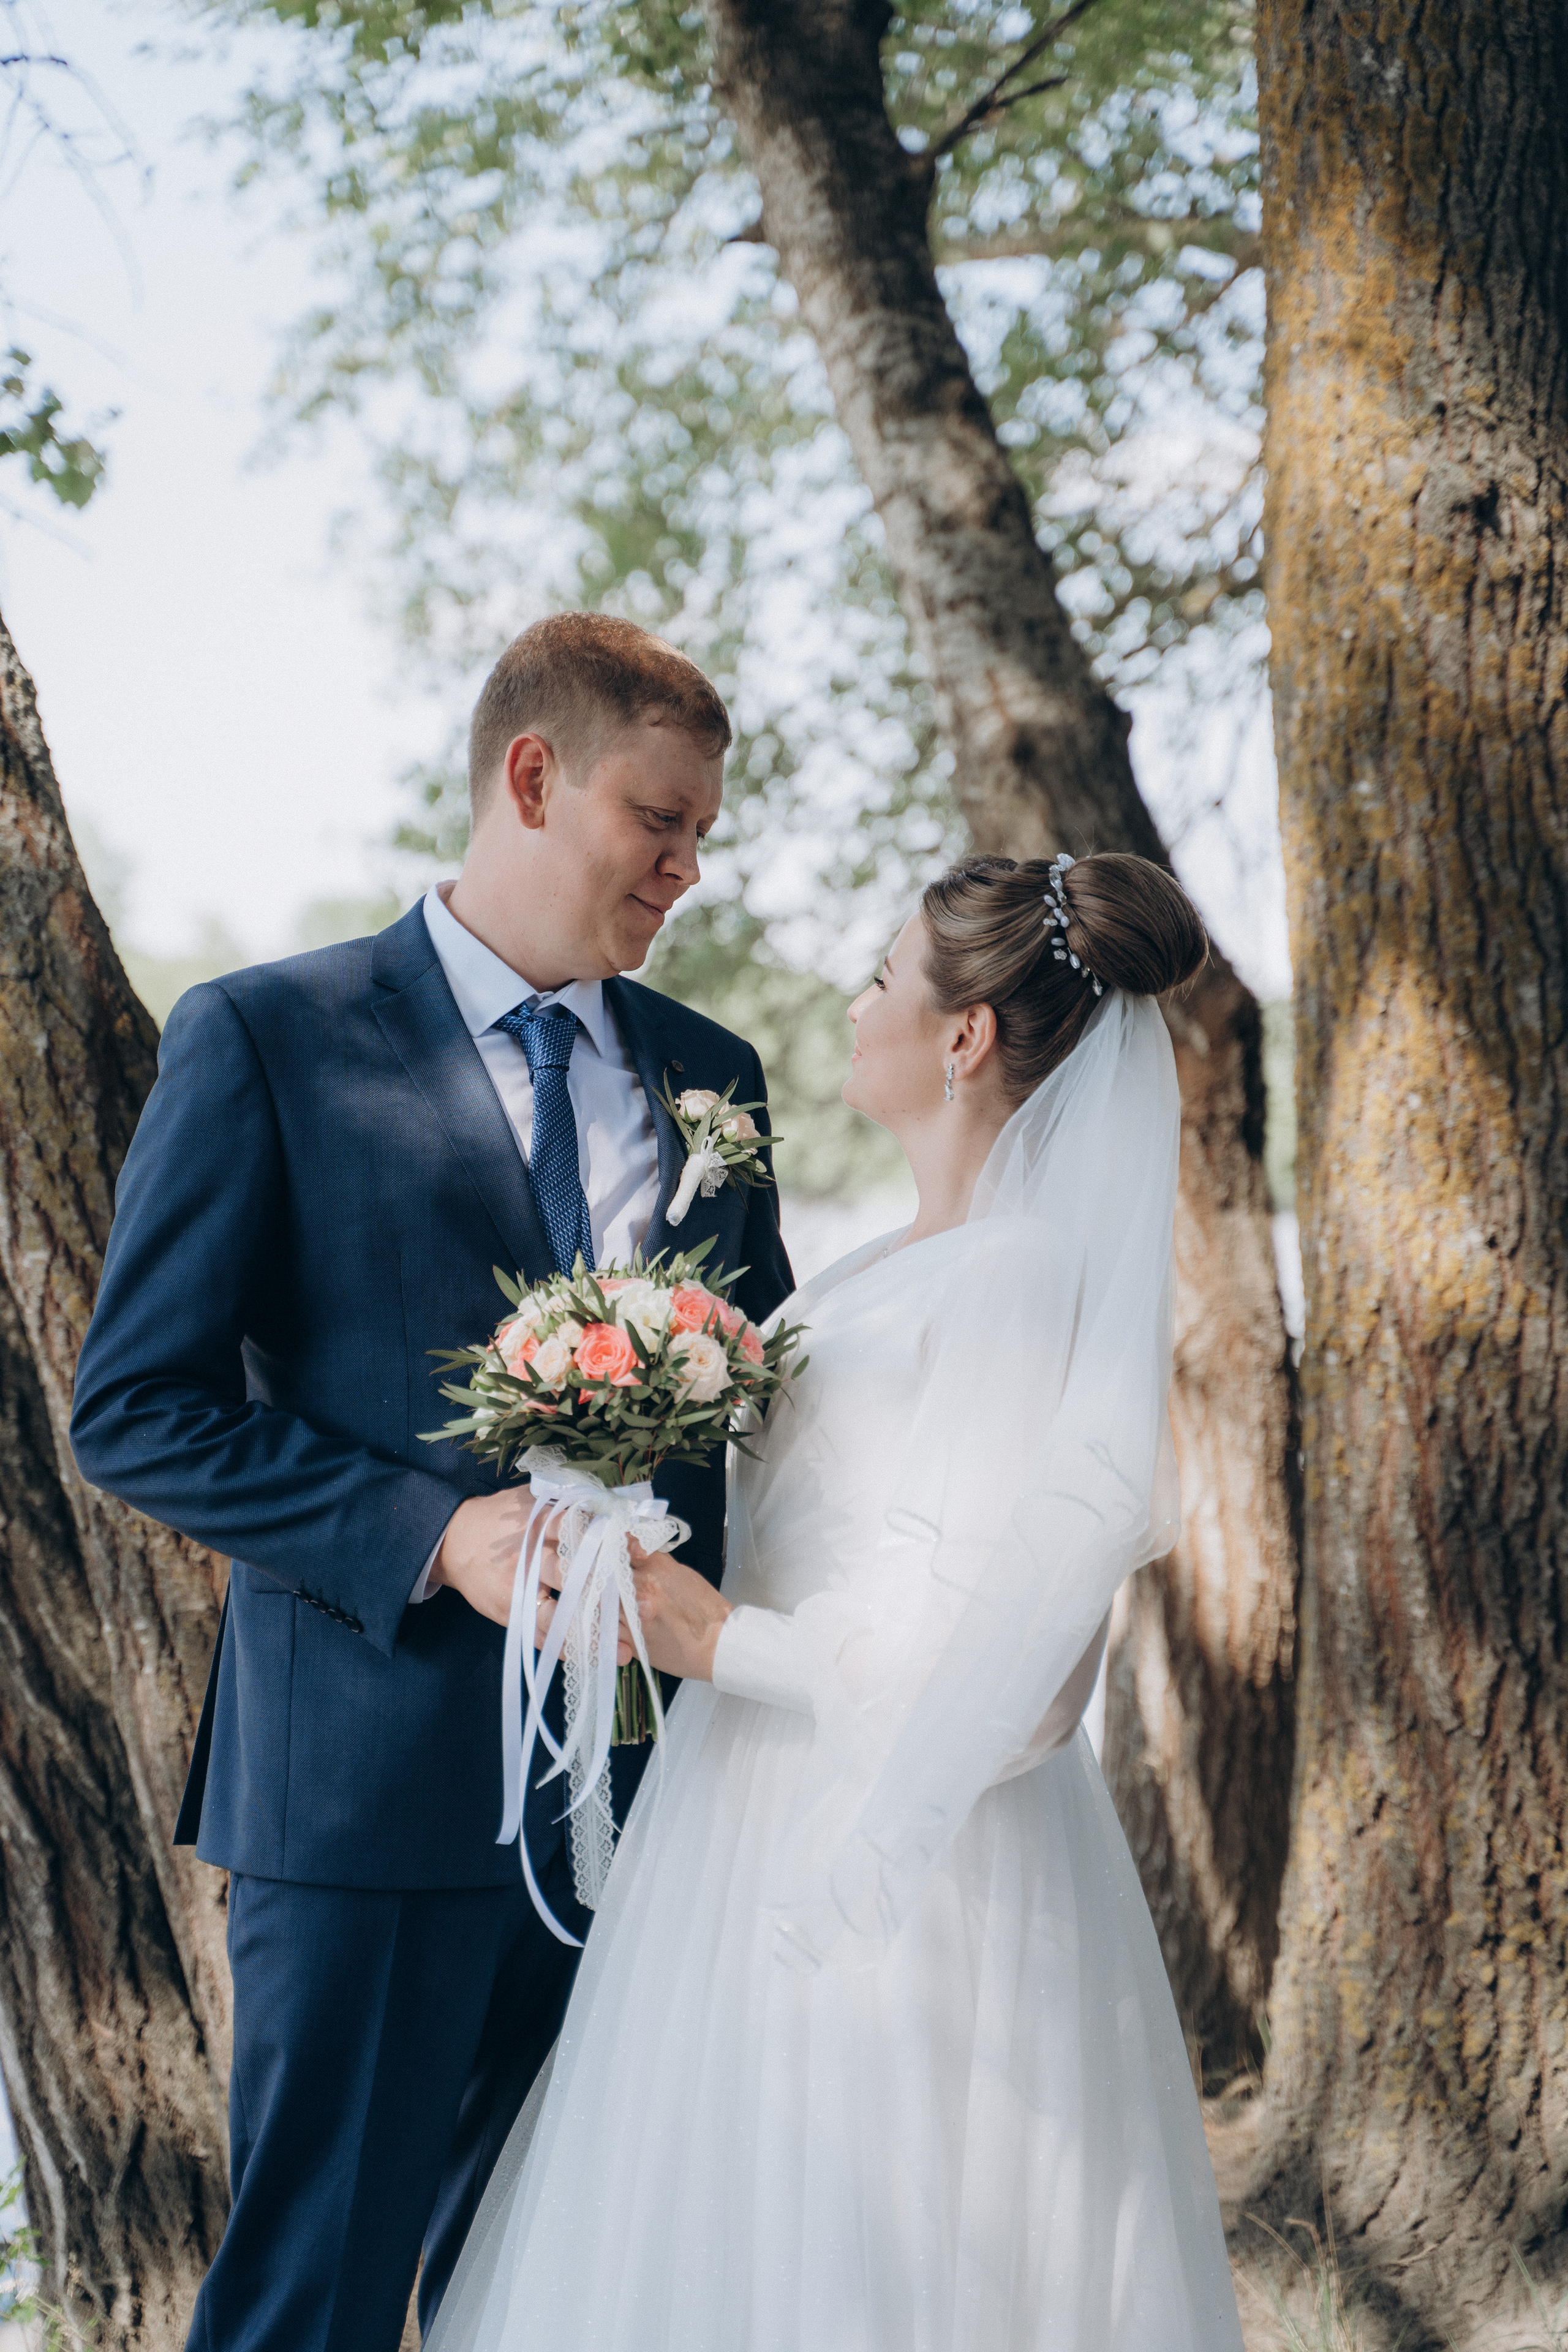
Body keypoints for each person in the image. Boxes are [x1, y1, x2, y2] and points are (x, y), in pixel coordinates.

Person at [67, 613, 794, 2352]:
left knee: (561, 2299)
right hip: (363, 1797)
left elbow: (745, 1408)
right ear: (533, 779)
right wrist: (435, 1533)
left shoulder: (715, 1080)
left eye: (705, 833)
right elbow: (139, 1411)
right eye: (661, 821)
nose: (688, 868)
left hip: (640, 1806)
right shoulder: (268, 1038)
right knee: (311, 2302)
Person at [428, 850, 1247, 2352]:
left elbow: (1023, 1686)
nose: (850, 1000)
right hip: (739, 1805)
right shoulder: (888, 1261)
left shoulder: (1009, 1284)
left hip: (907, 1868)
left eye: (879, 976)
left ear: (961, 1038)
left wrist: (717, 1638)